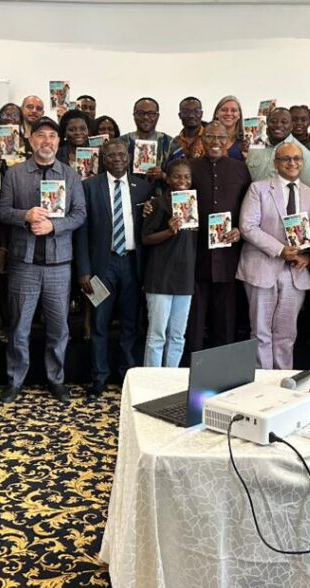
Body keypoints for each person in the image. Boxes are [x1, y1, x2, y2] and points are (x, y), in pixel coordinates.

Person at [0, 117, 87, 403]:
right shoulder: (15, 174)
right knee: (19, 327)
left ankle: (56, 379)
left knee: (59, 328)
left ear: (59, 142)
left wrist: (53, 226)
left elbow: (80, 214)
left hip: (59, 264)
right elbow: (1, 211)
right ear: (31, 140)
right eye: (41, 136)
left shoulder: (70, 175)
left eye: (52, 136)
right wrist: (25, 215)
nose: (47, 141)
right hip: (24, 263)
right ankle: (15, 380)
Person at [75, 139, 154, 397]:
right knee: (100, 323)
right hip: (102, 265)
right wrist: (84, 270)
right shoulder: (89, 187)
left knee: (131, 324)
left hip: (132, 264)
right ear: (103, 159)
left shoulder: (143, 188)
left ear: (129, 157)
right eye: (112, 155)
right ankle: (98, 378)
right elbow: (81, 231)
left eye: (122, 154)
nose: (118, 159)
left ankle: (127, 376)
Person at [237, 142, 310, 369]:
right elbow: (247, 227)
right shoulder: (258, 189)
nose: (292, 163)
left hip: (296, 272)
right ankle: (262, 378)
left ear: (303, 163)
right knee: (260, 331)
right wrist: (280, 250)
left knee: (287, 332)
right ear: (276, 163)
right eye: (286, 159)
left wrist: (308, 257)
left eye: (297, 158)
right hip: (262, 267)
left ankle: (282, 378)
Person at [186, 121, 251, 353]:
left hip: (227, 253)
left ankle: (223, 368)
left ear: (228, 141)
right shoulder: (189, 167)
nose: (215, 142)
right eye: (210, 137)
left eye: (221, 138)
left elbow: (249, 207)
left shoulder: (240, 169)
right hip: (195, 252)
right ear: (202, 139)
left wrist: (241, 230)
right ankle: (192, 366)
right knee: (194, 319)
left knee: (225, 318)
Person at [141, 160, 199, 368]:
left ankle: (171, 377)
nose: (182, 181)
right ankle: (153, 379)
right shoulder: (157, 204)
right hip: (160, 278)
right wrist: (169, 231)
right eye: (177, 176)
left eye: (186, 177)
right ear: (167, 178)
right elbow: (146, 238)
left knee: (177, 335)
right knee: (157, 334)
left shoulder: (194, 205)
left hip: (185, 278)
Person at [244, 107, 310, 188]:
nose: (278, 125)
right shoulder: (254, 147)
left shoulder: (304, 153)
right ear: (267, 123)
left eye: (284, 122)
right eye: (273, 121)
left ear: (291, 126)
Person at [119, 98, 172, 182]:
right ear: (134, 115)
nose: (145, 117)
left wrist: (163, 176)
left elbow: (180, 176)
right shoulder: (121, 142)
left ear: (157, 116)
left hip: (161, 189)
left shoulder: (170, 143)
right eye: (140, 113)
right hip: (127, 189)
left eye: (151, 113)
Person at [165, 96, 205, 162]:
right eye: (186, 112)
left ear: (201, 114)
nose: (191, 115)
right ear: (180, 115)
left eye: (196, 111)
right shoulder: (174, 143)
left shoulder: (211, 138)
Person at [211, 96, 248, 160]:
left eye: (233, 110)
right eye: (224, 110)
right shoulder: (205, 140)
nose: (228, 113)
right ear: (217, 114)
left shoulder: (245, 143)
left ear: (239, 115)